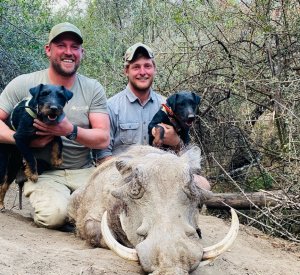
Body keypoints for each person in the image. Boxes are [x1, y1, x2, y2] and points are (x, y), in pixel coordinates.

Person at [0, 22, 110, 229]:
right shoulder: (23, 83)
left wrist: (69, 130)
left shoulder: (93, 88)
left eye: (75, 47)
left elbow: (103, 138)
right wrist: (22, 139)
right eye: (61, 45)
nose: (69, 52)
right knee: (54, 216)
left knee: (110, 211)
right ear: (48, 50)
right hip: (45, 174)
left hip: (83, 170)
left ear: (82, 53)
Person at [94, 42, 210, 190]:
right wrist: (127, 176)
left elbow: (185, 157)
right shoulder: (110, 107)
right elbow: (103, 157)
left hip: (161, 179)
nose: (142, 72)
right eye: (136, 67)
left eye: (147, 66)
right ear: (126, 71)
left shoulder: (168, 106)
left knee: (204, 185)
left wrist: (176, 142)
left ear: (154, 69)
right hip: (124, 179)